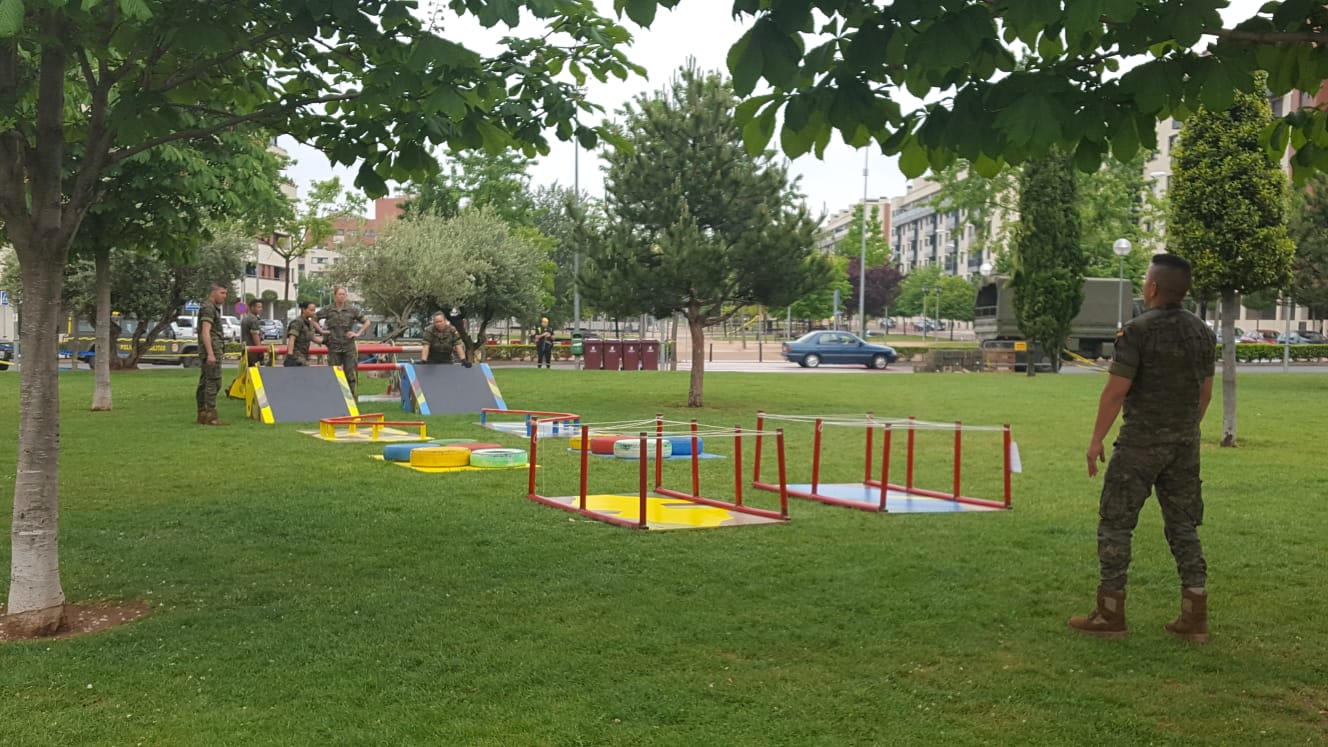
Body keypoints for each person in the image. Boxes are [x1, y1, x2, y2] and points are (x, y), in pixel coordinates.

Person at [1069, 254, 1216, 642]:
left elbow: (1115, 392)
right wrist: (1184, 430)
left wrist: (1096, 439)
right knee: (1183, 525)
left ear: (1152, 288)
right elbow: (1205, 393)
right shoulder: (1203, 332)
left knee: (1116, 523)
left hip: (1139, 444)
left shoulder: (1136, 331)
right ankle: (1194, 616)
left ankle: (1110, 613)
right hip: (1184, 445)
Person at [317, 286, 370, 398]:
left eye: (343, 294)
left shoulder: (352, 309)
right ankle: (335, 398)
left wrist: (357, 333)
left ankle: (351, 399)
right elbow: (314, 319)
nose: (341, 296)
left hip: (348, 346)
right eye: (339, 294)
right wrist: (321, 330)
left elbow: (367, 322)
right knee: (333, 373)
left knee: (350, 373)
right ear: (335, 296)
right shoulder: (328, 309)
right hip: (333, 346)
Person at [195, 283, 228, 426]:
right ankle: (210, 416)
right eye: (222, 293)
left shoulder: (211, 308)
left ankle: (202, 413)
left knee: (205, 382)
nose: (224, 296)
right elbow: (205, 331)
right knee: (213, 382)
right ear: (213, 293)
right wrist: (210, 354)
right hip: (212, 349)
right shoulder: (209, 308)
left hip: (211, 349)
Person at [284, 301, 322, 366]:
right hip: (296, 356)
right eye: (311, 310)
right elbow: (292, 338)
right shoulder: (298, 322)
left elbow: (312, 337)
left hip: (304, 355)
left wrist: (326, 341)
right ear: (304, 310)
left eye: (314, 310)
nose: (313, 312)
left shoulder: (309, 323)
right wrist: (290, 356)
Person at [240, 300, 265, 367]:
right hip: (253, 351)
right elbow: (255, 336)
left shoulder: (245, 318)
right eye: (258, 307)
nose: (261, 309)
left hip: (245, 350)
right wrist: (260, 351)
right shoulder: (253, 319)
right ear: (252, 307)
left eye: (261, 307)